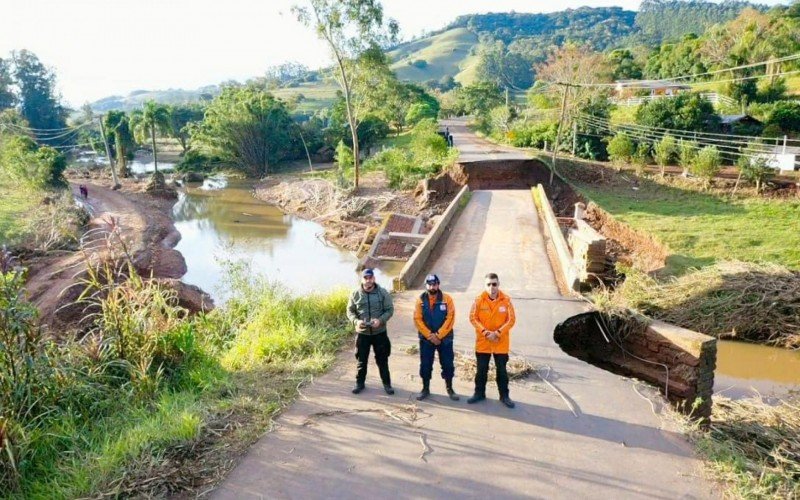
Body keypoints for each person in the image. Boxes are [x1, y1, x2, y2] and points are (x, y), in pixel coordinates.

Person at [468, 272, 517, 408]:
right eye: (488, 284)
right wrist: (485, 332)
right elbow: (473, 318)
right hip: (483, 342)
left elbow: (511, 320)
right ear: (485, 286)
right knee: (481, 370)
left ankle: (504, 396)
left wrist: (498, 333)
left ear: (498, 284)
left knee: (501, 370)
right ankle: (479, 393)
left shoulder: (506, 300)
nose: (491, 287)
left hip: (500, 343)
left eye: (494, 284)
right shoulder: (478, 300)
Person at [347, 268, 395, 395]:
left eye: (370, 278)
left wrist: (380, 320)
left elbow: (389, 310)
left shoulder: (382, 293)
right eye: (366, 278)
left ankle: (387, 384)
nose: (368, 281)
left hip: (379, 333)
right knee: (361, 360)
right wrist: (356, 322)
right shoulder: (355, 294)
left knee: (382, 360)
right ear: (362, 279)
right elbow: (350, 312)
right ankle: (359, 384)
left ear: (374, 278)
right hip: (363, 334)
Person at [413, 274, 458, 401]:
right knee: (425, 364)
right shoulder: (420, 300)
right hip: (426, 339)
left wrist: (439, 335)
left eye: (434, 284)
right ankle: (425, 388)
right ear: (426, 285)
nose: (432, 287)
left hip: (445, 338)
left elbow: (450, 318)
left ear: (438, 284)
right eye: (430, 284)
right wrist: (429, 335)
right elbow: (417, 319)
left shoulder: (447, 299)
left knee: (448, 364)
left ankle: (450, 388)